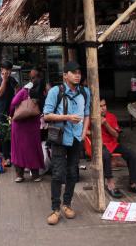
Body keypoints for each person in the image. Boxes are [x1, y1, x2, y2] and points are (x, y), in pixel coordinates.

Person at [43, 61, 89, 226]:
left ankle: (67, 204)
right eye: (73, 72)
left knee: (73, 174)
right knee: (57, 174)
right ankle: (55, 209)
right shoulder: (56, 91)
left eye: (79, 72)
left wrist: (83, 133)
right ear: (65, 75)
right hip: (60, 138)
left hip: (77, 139)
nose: (77, 75)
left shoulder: (85, 92)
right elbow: (47, 115)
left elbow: (87, 114)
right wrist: (67, 117)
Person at [99, 99, 136, 198]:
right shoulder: (91, 117)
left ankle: (133, 183)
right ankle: (110, 184)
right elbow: (85, 132)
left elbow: (116, 135)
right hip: (99, 145)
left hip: (112, 144)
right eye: (100, 106)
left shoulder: (111, 116)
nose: (103, 108)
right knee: (106, 155)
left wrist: (105, 124)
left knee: (131, 154)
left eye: (104, 105)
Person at [9, 78, 45, 182]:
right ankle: (35, 175)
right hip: (33, 126)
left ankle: (19, 175)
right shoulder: (41, 95)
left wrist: (12, 115)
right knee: (33, 149)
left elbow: (14, 102)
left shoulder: (24, 91)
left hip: (19, 125)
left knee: (19, 149)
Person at [0, 60, 19, 166]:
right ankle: (6, 157)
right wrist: (4, 80)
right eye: (5, 70)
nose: (7, 72)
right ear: (1, 70)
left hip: (11, 110)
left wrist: (16, 97)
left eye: (9, 70)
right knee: (4, 134)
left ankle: (9, 154)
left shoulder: (12, 80)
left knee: (10, 134)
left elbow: (17, 88)